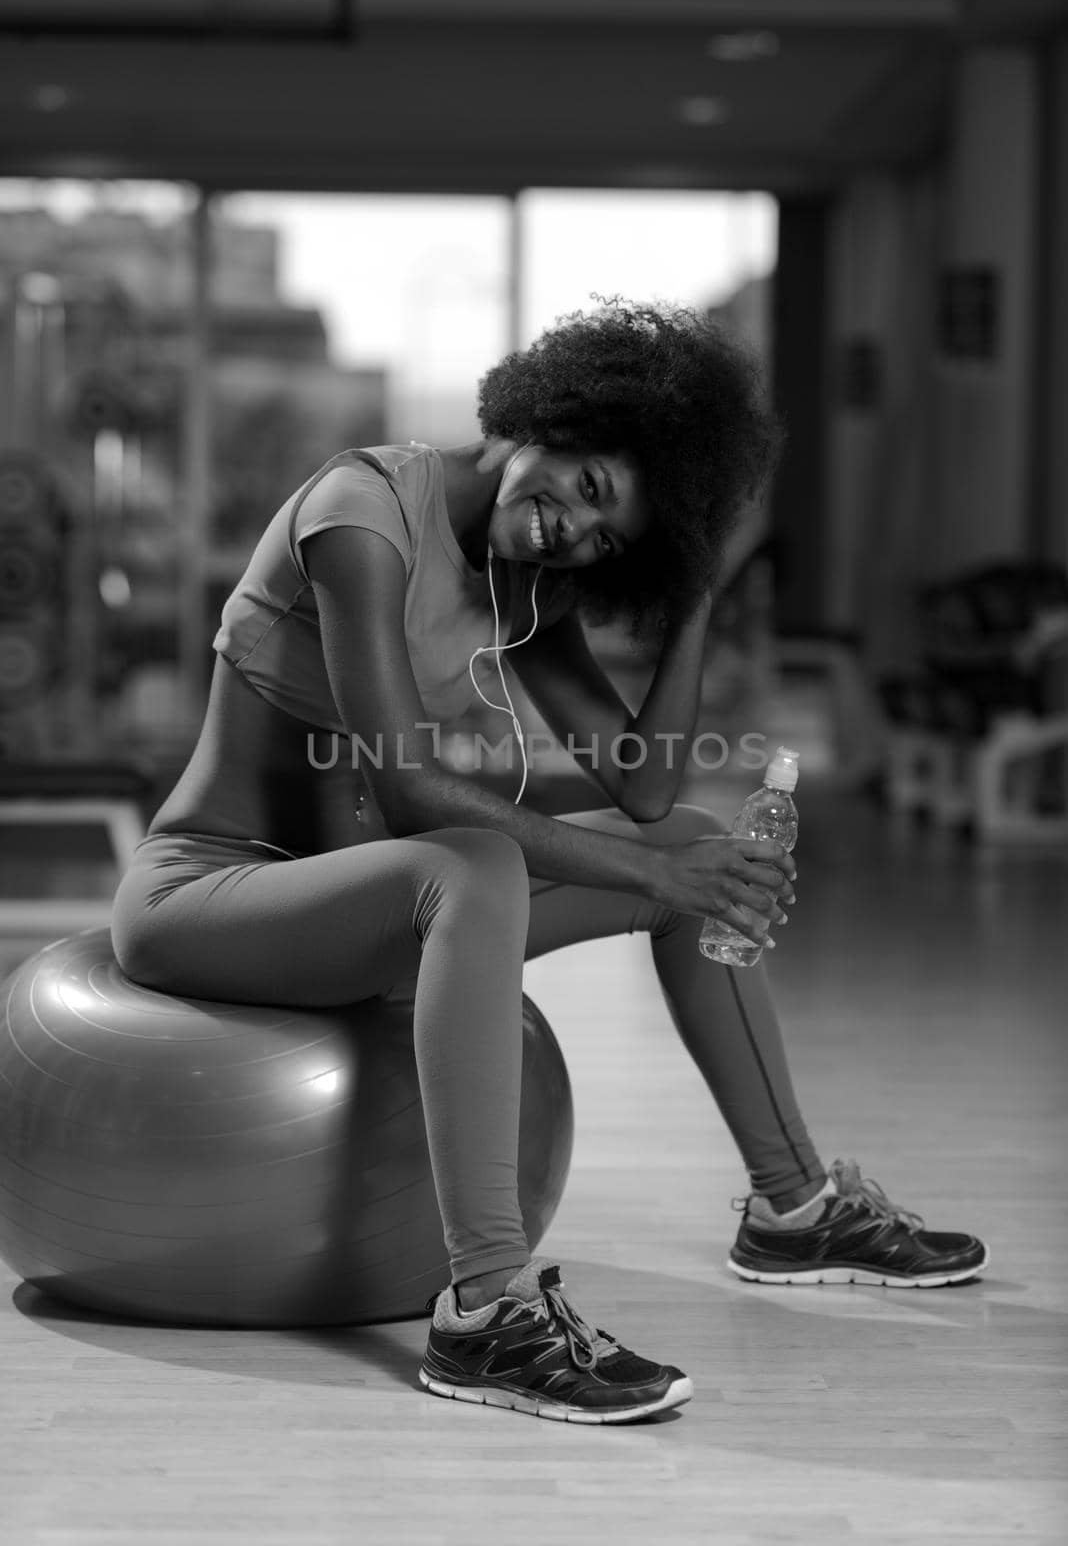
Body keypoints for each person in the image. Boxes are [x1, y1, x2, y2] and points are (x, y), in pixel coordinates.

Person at [111, 299, 988, 1426]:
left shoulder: (524, 582)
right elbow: (415, 784)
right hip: (216, 890)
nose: (573, 523)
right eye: (586, 485)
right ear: (552, 416)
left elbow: (647, 786)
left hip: (370, 913)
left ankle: (794, 1205)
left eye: (610, 534)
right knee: (476, 859)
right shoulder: (362, 510)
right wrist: (648, 877)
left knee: (693, 845)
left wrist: (698, 595)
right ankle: (485, 1312)